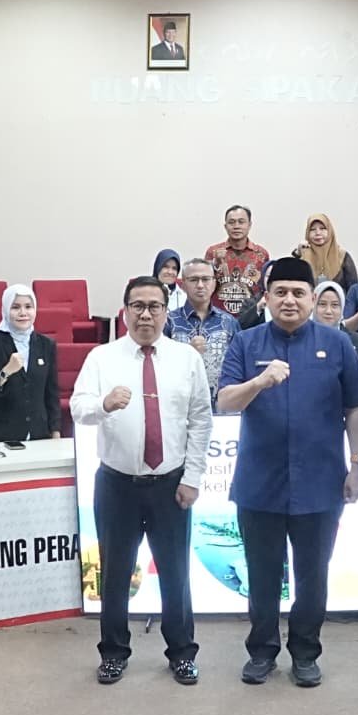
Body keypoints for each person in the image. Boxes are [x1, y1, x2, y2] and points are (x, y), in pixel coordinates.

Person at [217, 257, 358, 688]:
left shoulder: (337, 344)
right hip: (259, 485)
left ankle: (305, 652)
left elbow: (354, 409)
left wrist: (357, 465)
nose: (289, 300)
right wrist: (259, 382)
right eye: (280, 292)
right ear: (266, 298)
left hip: (321, 484)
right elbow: (224, 401)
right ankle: (262, 651)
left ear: (313, 298)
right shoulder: (246, 342)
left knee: (312, 577)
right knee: (262, 576)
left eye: (298, 293)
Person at [71, 276, 212, 686]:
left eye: (154, 306)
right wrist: (104, 404)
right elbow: (79, 408)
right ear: (125, 311)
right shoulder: (102, 357)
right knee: (115, 573)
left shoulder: (186, 359)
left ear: (166, 312)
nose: (146, 314)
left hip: (170, 485)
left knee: (175, 573)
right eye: (138, 306)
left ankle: (182, 653)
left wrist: (192, 477)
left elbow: (200, 421)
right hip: (117, 485)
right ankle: (114, 653)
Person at [0, 284, 61, 443]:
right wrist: (7, 371)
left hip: (39, 435)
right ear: (6, 310)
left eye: (28, 307)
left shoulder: (46, 344)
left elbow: (52, 392)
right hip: (1, 435)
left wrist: (55, 430)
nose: (23, 313)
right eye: (15, 307)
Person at [165, 258, 239, 408]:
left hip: (221, 407)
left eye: (205, 279)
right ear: (183, 285)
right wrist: (187, 353)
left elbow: (238, 366)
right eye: (193, 280)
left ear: (214, 283)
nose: (200, 285)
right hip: (180, 405)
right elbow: (159, 366)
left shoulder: (229, 322)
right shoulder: (169, 321)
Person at [205, 204, 270, 316]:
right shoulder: (213, 252)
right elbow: (204, 283)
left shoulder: (261, 254)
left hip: (251, 317)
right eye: (232, 222)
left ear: (249, 225)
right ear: (225, 226)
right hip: (218, 317)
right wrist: (215, 263)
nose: (236, 226)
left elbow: (266, 288)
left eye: (241, 222)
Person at [291, 213, 358, 292]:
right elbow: (290, 281)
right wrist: (298, 253)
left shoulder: (342, 256)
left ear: (329, 231)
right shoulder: (303, 256)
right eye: (313, 229)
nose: (318, 233)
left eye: (322, 228)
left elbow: (353, 290)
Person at [313, 280, 358, 371]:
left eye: (335, 305)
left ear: (342, 307)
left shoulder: (357, 341)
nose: (328, 311)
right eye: (322, 304)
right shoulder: (302, 338)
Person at [237, 259, 274, 331]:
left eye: (275, 276)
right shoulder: (249, 302)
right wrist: (258, 307)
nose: (271, 280)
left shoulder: (288, 301)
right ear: (263, 278)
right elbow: (240, 326)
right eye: (268, 276)